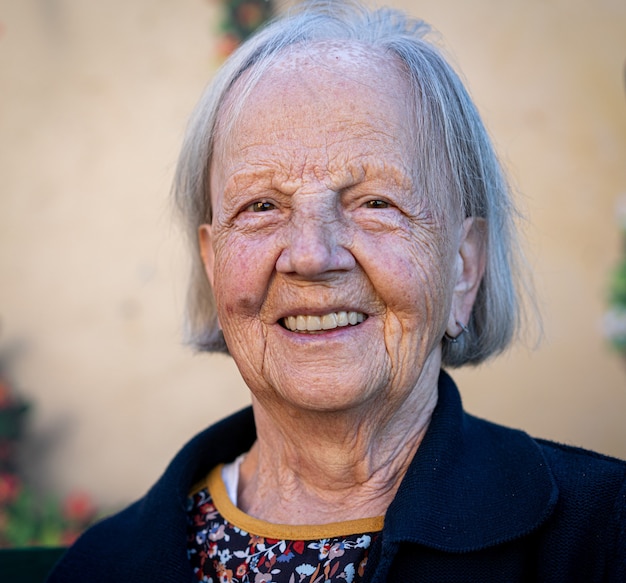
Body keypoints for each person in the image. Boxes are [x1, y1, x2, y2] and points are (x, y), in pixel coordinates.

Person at [47, 1, 626, 581]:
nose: (311, 256)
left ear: (463, 267)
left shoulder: (603, 536)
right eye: (262, 207)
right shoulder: (101, 568)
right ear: (212, 264)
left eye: (376, 203)